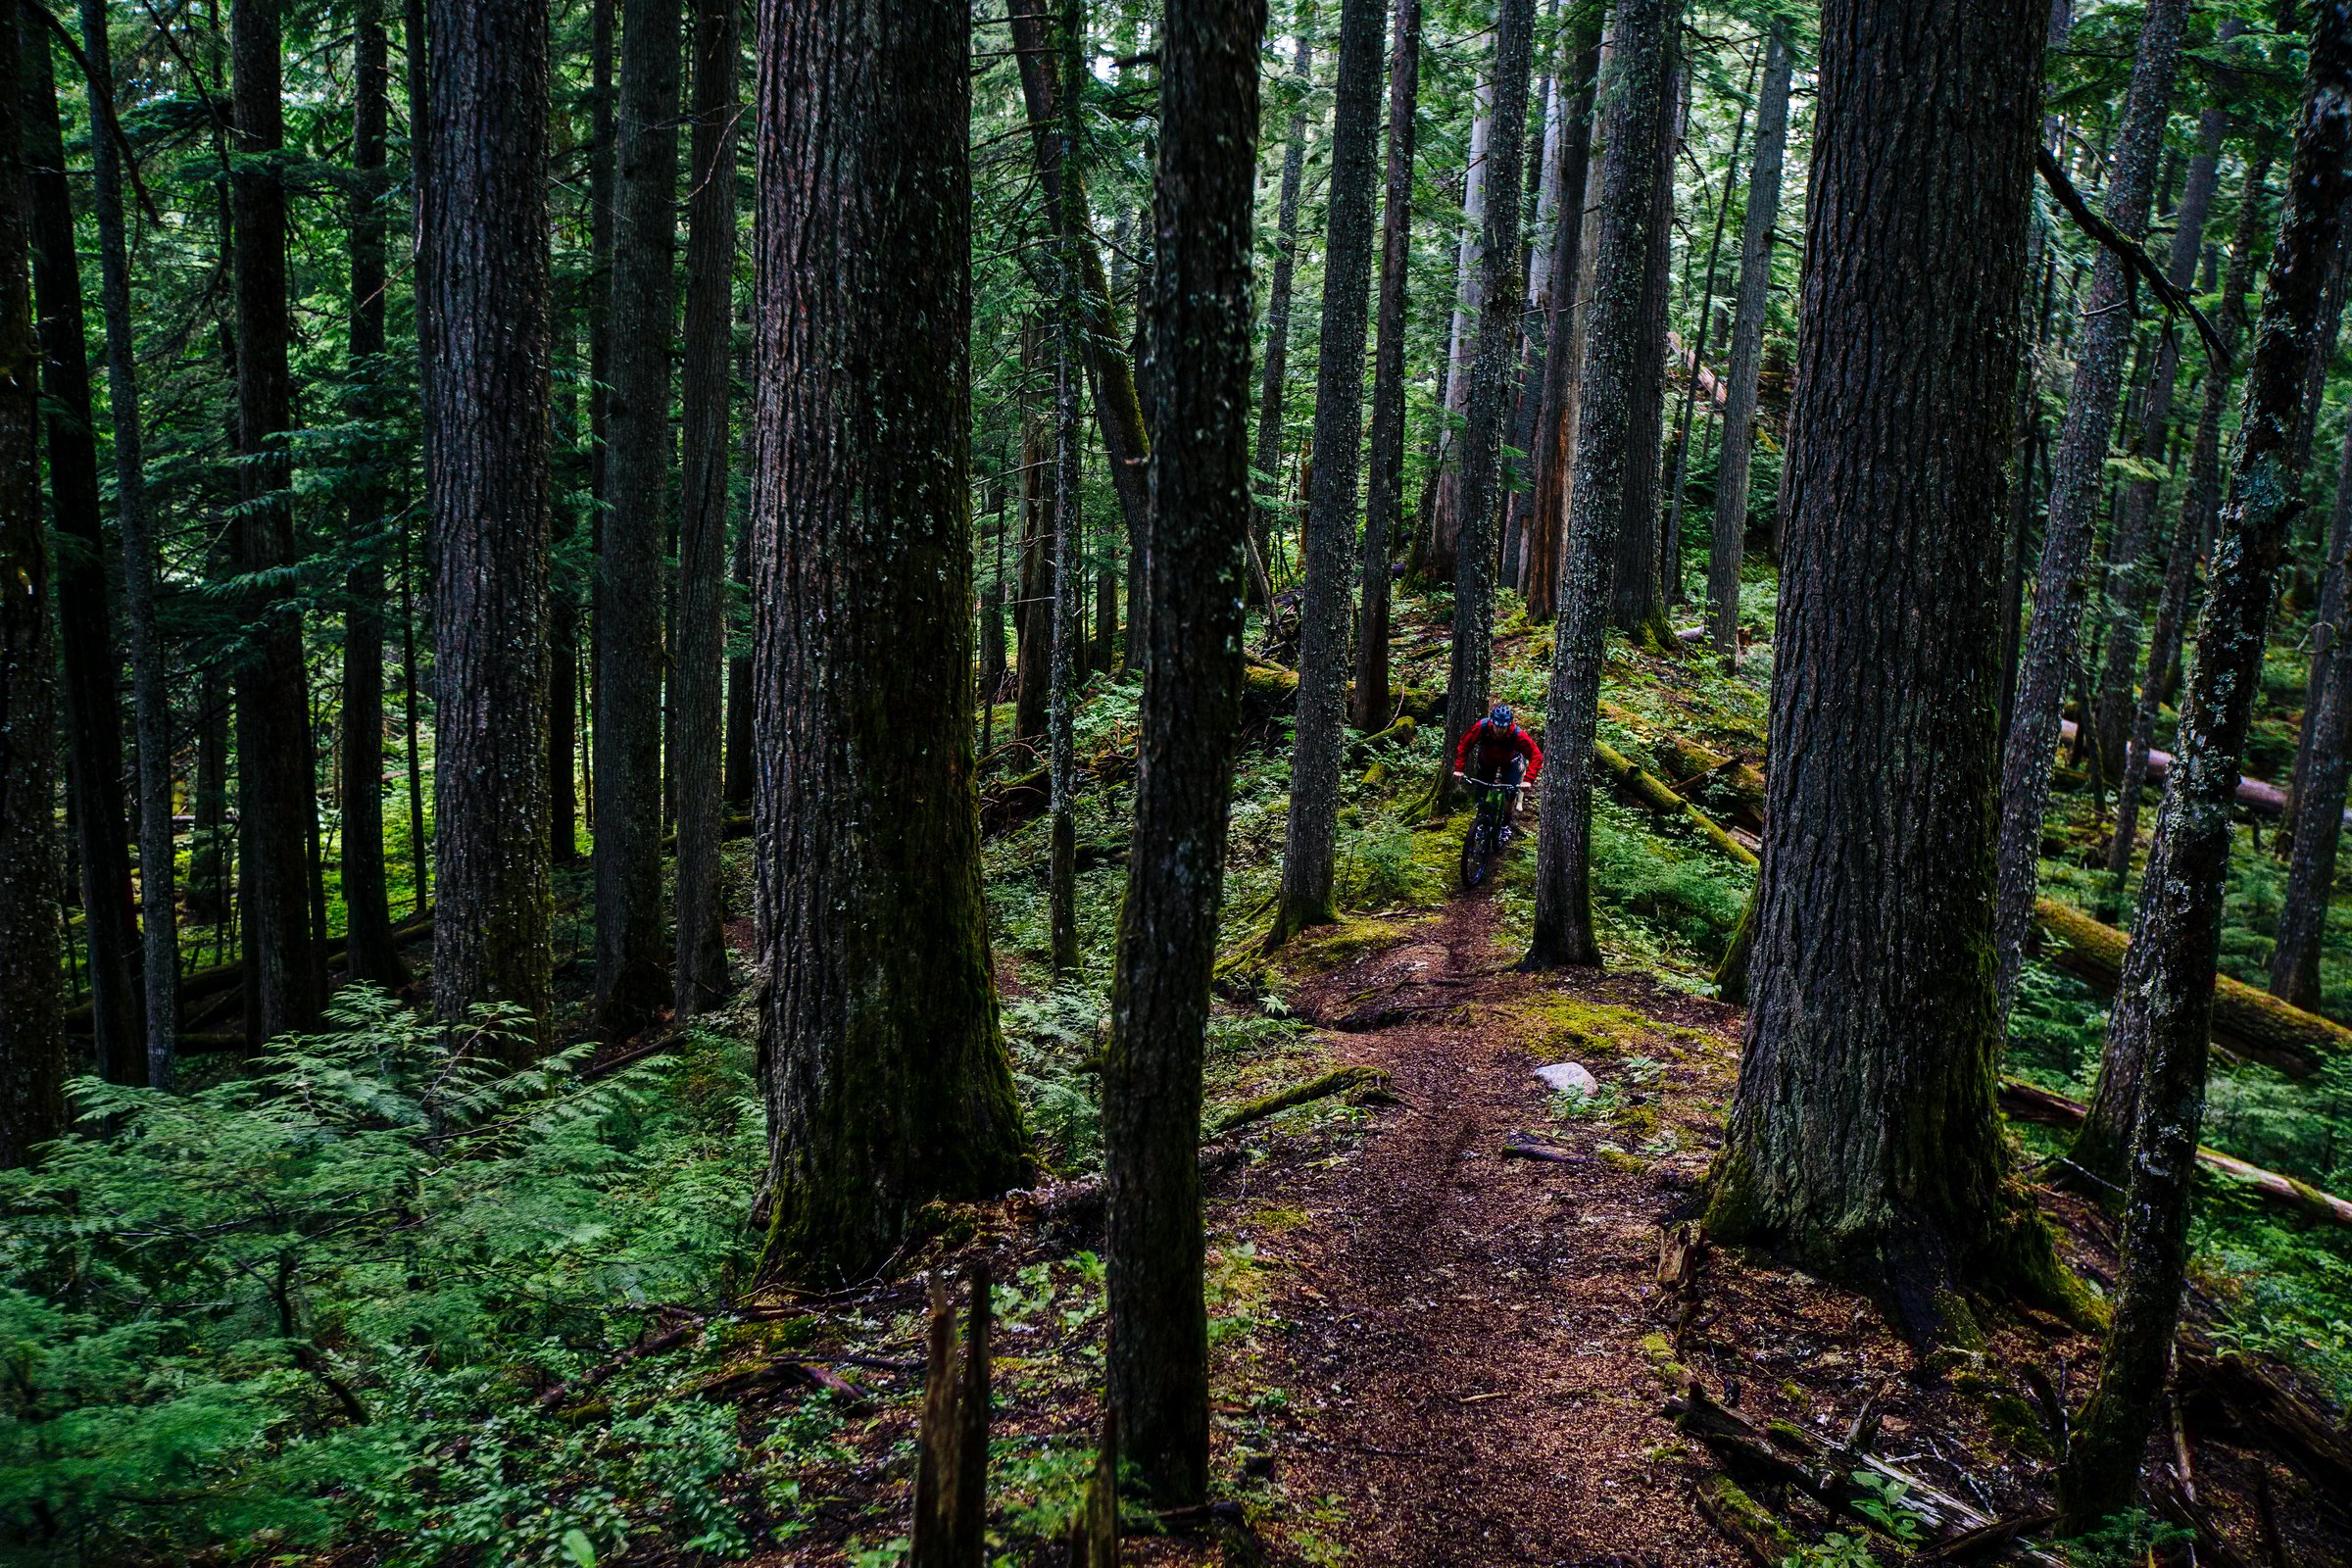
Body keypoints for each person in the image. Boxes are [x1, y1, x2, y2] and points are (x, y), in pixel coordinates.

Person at [1454, 704, 1543, 835]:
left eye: (1504, 727)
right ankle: (1482, 821)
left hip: (1510, 762)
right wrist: (1459, 768)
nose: (1500, 731)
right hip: (1487, 760)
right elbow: (1465, 744)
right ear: (1492, 722)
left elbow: (1536, 755)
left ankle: (1505, 825)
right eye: (1497, 727)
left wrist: (1528, 779)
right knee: (1481, 792)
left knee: (1510, 793)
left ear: (1509, 725)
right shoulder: (1482, 727)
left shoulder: (1518, 735)